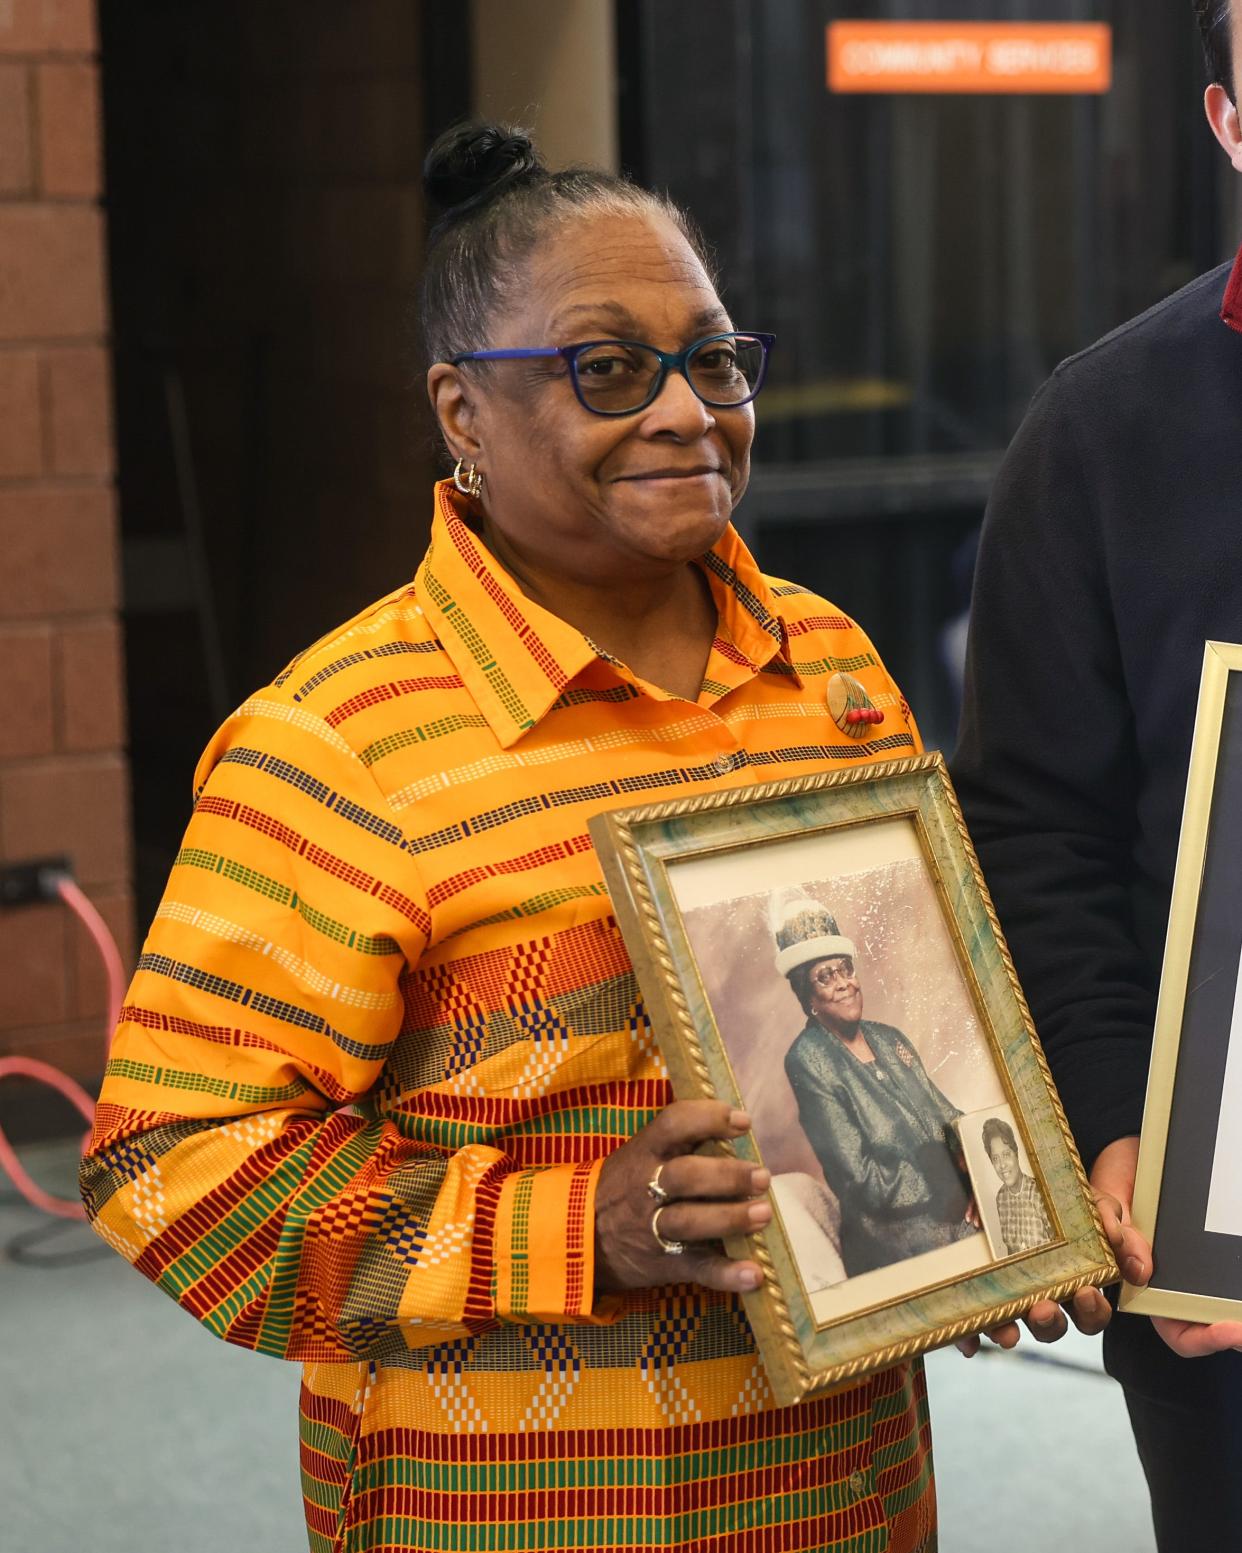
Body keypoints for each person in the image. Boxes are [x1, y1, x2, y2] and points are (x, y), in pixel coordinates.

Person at [81, 122, 1108, 1553]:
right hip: (512, 1510)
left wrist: (1006, 1222)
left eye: (713, 358)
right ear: (460, 413)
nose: (688, 411)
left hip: (843, 1493)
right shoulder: (335, 742)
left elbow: (921, 1020)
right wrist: (583, 1223)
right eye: (606, 369)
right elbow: (171, 1175)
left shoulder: (829, 666)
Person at [953, 3, 1242, 1544]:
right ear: (1226, 122)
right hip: (1226, 1246)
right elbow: (1034, 823)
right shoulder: (1100, 431)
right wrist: (1126, 1119)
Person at [778, 897, 979, 1278]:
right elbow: (860, 1177)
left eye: (845, 969)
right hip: (894, 1237)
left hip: (956, 1205)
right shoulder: (807, 1059)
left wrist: (978, 1171)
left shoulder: (889, 1038)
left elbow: (947, 1114)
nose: (843, 984)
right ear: (808, 999)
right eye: (825, 976)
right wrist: (948, 1182)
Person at [981, 1117, 1053, 1256]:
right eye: (995, 1158)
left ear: (1016, 1154)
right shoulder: (1001, 1198)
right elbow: (1011, 1252)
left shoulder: (1038, 1192)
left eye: (1006, 1154)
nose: (1002, 1165)